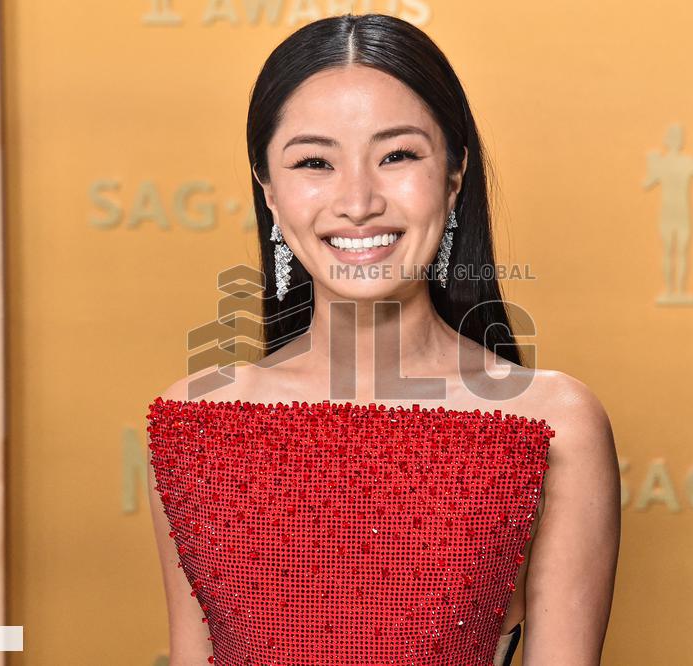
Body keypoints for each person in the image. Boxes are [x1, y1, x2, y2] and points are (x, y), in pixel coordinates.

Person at [147, 13, 619, 665]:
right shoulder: (198, 424)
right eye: (315, 162)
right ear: (271, 194)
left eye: (397, 155)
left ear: (454, 176)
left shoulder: (554, 423)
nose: (359, 199)